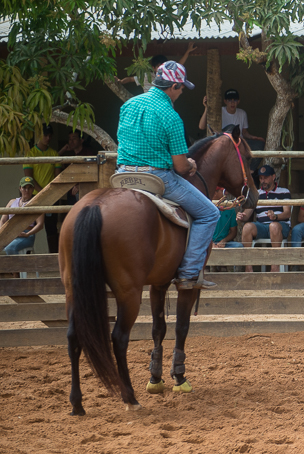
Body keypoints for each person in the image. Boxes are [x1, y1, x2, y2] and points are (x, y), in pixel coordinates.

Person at [115, 61, 220, 289]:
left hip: (122, 175)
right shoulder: (171, 116)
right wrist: (191, 163)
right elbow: (181, 167)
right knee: (210, 213)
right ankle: (189, 274)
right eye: (181, 88)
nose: (181, 92)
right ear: (173, 86)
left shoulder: (129, 105)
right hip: (156, 177)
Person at [238, 164, 290, 271]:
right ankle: (248, 267)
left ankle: (275, 267)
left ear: (273, 176)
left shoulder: (284, 191)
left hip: (280, 226)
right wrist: (241, 216)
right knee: (247, 227)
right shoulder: (256, 193)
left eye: (266, 177)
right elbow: (246, 215)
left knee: (274, 226)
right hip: (262, 227)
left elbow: (287, 213)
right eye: (261, 178)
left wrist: (275, 216)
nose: (263, 181)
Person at [22, 123, 61, 253]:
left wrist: (49, 192)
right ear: (39, 135)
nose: (48, 138)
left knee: (51, 228)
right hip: (34, 195)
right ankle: (26, 257)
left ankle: (54, 257)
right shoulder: (30, 153)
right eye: (45, 135)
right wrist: (42, 192)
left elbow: (57, 177)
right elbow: (29, 178)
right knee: (29, 225)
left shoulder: (54, 153)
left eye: (50, 135)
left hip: (51, 195)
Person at [117, 45, 194, 92]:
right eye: (158, 67)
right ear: (153, 68)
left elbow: (178, 65)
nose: (161, 69)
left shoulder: (168, 77)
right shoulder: (147, 76)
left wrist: (187, 52)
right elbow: (130, 79)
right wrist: (120, 81)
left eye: (164, 66)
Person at [198, 88, 264, 141]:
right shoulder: (218, 111)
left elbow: (244, 132)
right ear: (225, 101)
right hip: (223, 142)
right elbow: (201, 126)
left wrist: (253, 138)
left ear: (238, 101)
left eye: (235, 100)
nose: (232, 103)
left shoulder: (242, 113)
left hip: (238, 143)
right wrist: (206, 107)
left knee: (259, 145)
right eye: (229, 100)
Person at [2, 178, 44, 255]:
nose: (27, 190)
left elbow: (40, 224)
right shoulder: (12, 202)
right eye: (24, 188)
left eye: (29, 188)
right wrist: (2, 232)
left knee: (10, 248)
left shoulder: (37, 204)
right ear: (20, 188)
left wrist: (28, 234)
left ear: (33, 189)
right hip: (10, 233)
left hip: (26, 234)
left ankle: (18, 267)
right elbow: (3, 220)